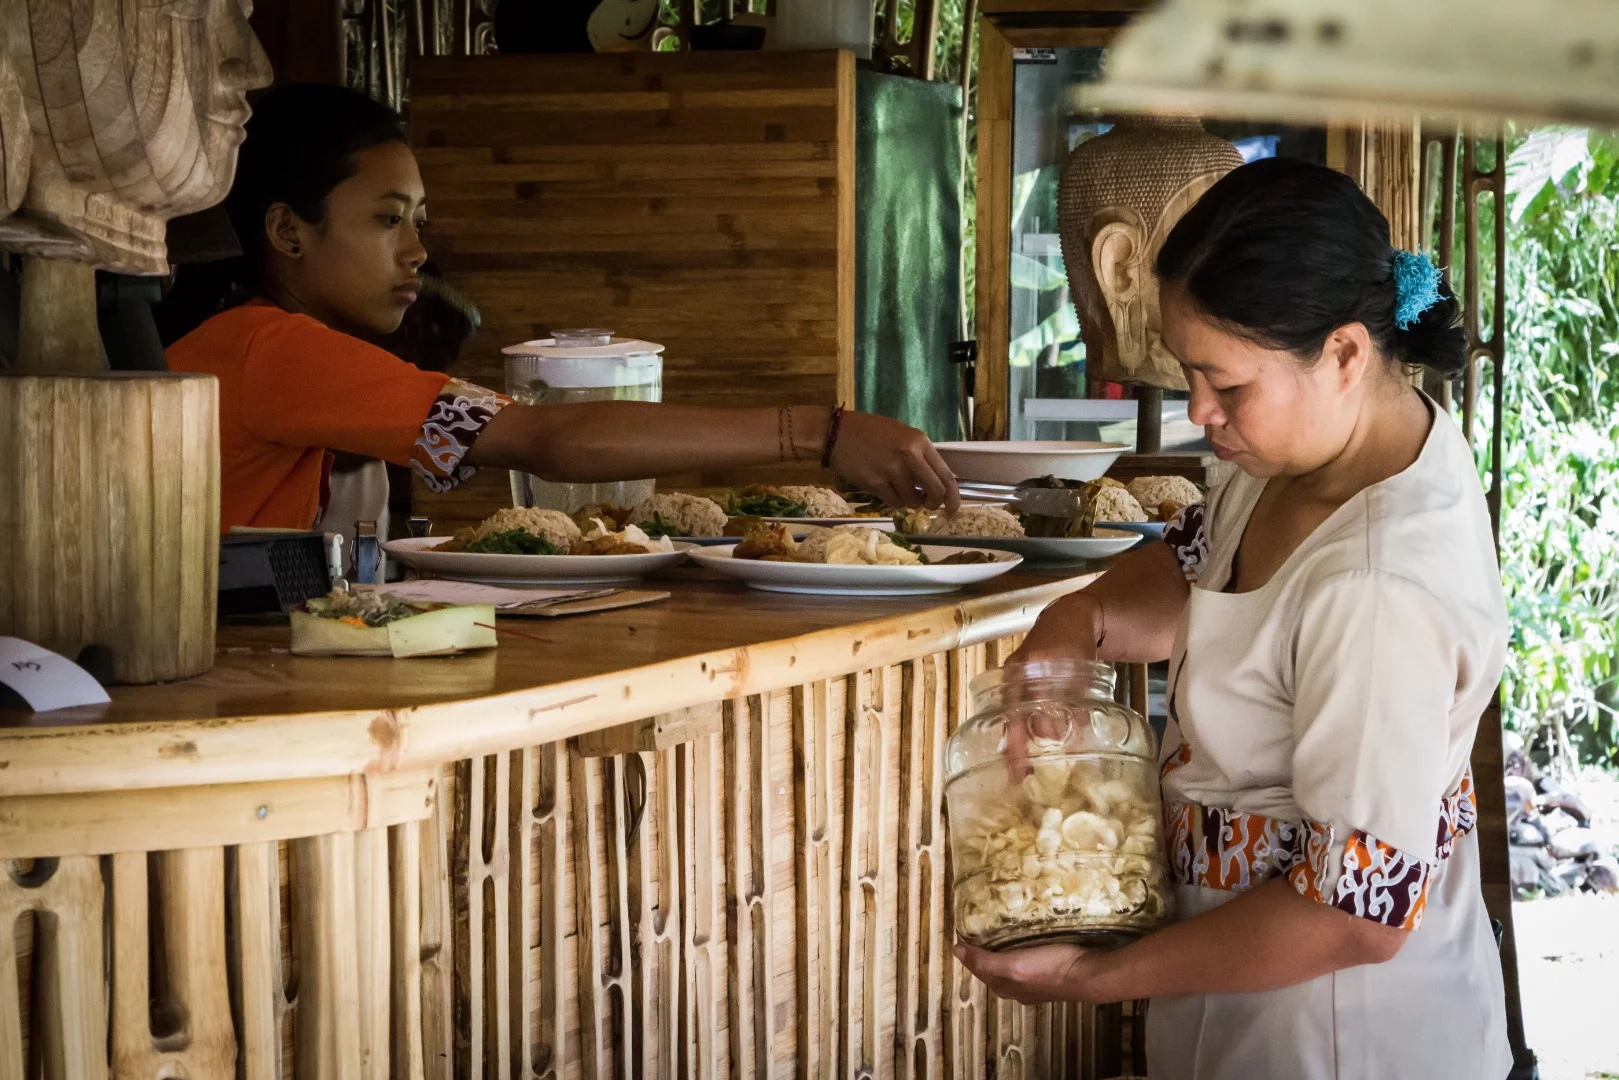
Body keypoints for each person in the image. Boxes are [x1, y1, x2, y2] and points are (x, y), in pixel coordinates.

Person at [955, 158, 1511, 1080]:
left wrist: (1101, 979)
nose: (1199, 411)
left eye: (1225, 383)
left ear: (1341, 354)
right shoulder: (1303, 455)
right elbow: (1195, 568)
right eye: (1187, 373)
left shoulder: (1378, 588)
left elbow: (1355, 915)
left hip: (1344, 1037)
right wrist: (1076, 620)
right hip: (1247, 1003)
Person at [164, 83, 958, 532]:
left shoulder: (250, 345)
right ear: (285, 230)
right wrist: (818, 433)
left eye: (418, 222)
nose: (416, 252)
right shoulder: (271, 349)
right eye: (387, 218)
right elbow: (546, 436)